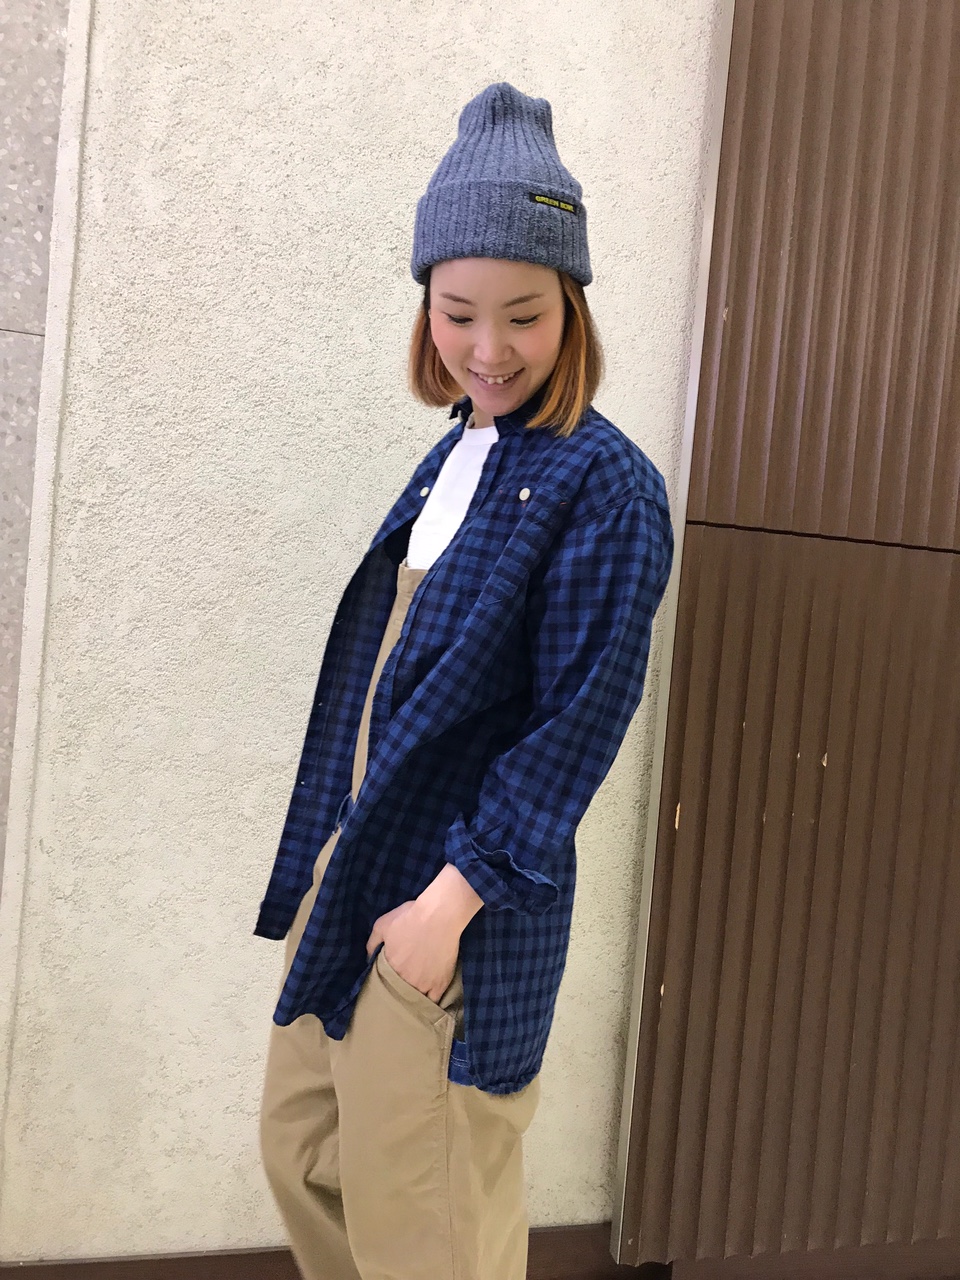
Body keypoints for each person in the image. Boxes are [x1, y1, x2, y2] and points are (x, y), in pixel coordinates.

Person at [256, 80, 674, 1280]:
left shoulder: (608, 486)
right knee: (304, 1157)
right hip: (357, 869)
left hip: (450, 913)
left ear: (573, 306)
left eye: (524, 314)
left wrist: (447, 908)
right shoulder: (456, 457)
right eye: (457, 312)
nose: (487, 349)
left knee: (427, 1230)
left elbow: (575, 724)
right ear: (426, 305)